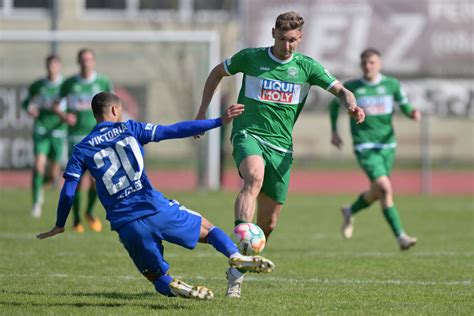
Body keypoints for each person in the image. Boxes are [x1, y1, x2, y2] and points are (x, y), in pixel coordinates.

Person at [37, 92, 274, 300]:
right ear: (114, 110)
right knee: (208, 230)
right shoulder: (130, 128)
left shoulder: (82, 148)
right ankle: (234, 255)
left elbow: (69, 189)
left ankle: (178, 286)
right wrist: (218, 121)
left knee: (156, 276)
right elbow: (173, 130)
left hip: (126, 224)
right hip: (155, 208)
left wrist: (59, 224)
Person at [194, 11, 365, 297]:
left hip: (282, 148)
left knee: (269, 224)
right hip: (248, 135)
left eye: (294, 41)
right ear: (273, 33)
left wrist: (351, 105)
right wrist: (202, 113)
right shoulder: (251, 57)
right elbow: (216, 73)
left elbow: (341, 90)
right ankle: (241, 235)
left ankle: (237, 271)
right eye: (283, 39)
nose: (288, 46)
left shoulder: (306, 67)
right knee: (253, 177)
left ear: (301, 38)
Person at [329, 48, 421, 250]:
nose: (368, 66)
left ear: (379, 64)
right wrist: (334, 131)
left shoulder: (391, 85)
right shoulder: (352, 87)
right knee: (385, 188)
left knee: (377, 192)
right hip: (365, 146)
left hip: (387, 146)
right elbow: (334, 106)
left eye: (372, 62)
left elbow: (404, 105)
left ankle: (350, 210)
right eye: (364, 63)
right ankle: (401, 237)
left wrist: (412, 113)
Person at [53, 48, 113, 233]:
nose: (86, 62)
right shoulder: (70, 83)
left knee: (97, 180)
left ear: (93, 62)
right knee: (78, 181)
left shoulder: (103, 82)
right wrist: (64, 117)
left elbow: (113, 106)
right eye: (83, 59)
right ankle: (77, 219)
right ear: (79, 62)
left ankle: (89, 211)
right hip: (76, 139)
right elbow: (56, 105)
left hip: (98, 138)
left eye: (89, 59)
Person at [22, 54, 67, 218]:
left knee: (54, 174)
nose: (51, 68)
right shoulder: (38, 85)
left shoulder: (65, 85)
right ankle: (36, 203)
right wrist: (29, 109)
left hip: (58, 131)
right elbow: (26, 102)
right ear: (46, 66)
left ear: (59, 67)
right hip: (41, 130)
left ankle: (43, 185)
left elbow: (72, 105)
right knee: (38, 165)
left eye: (54, 65)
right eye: (49, 65)